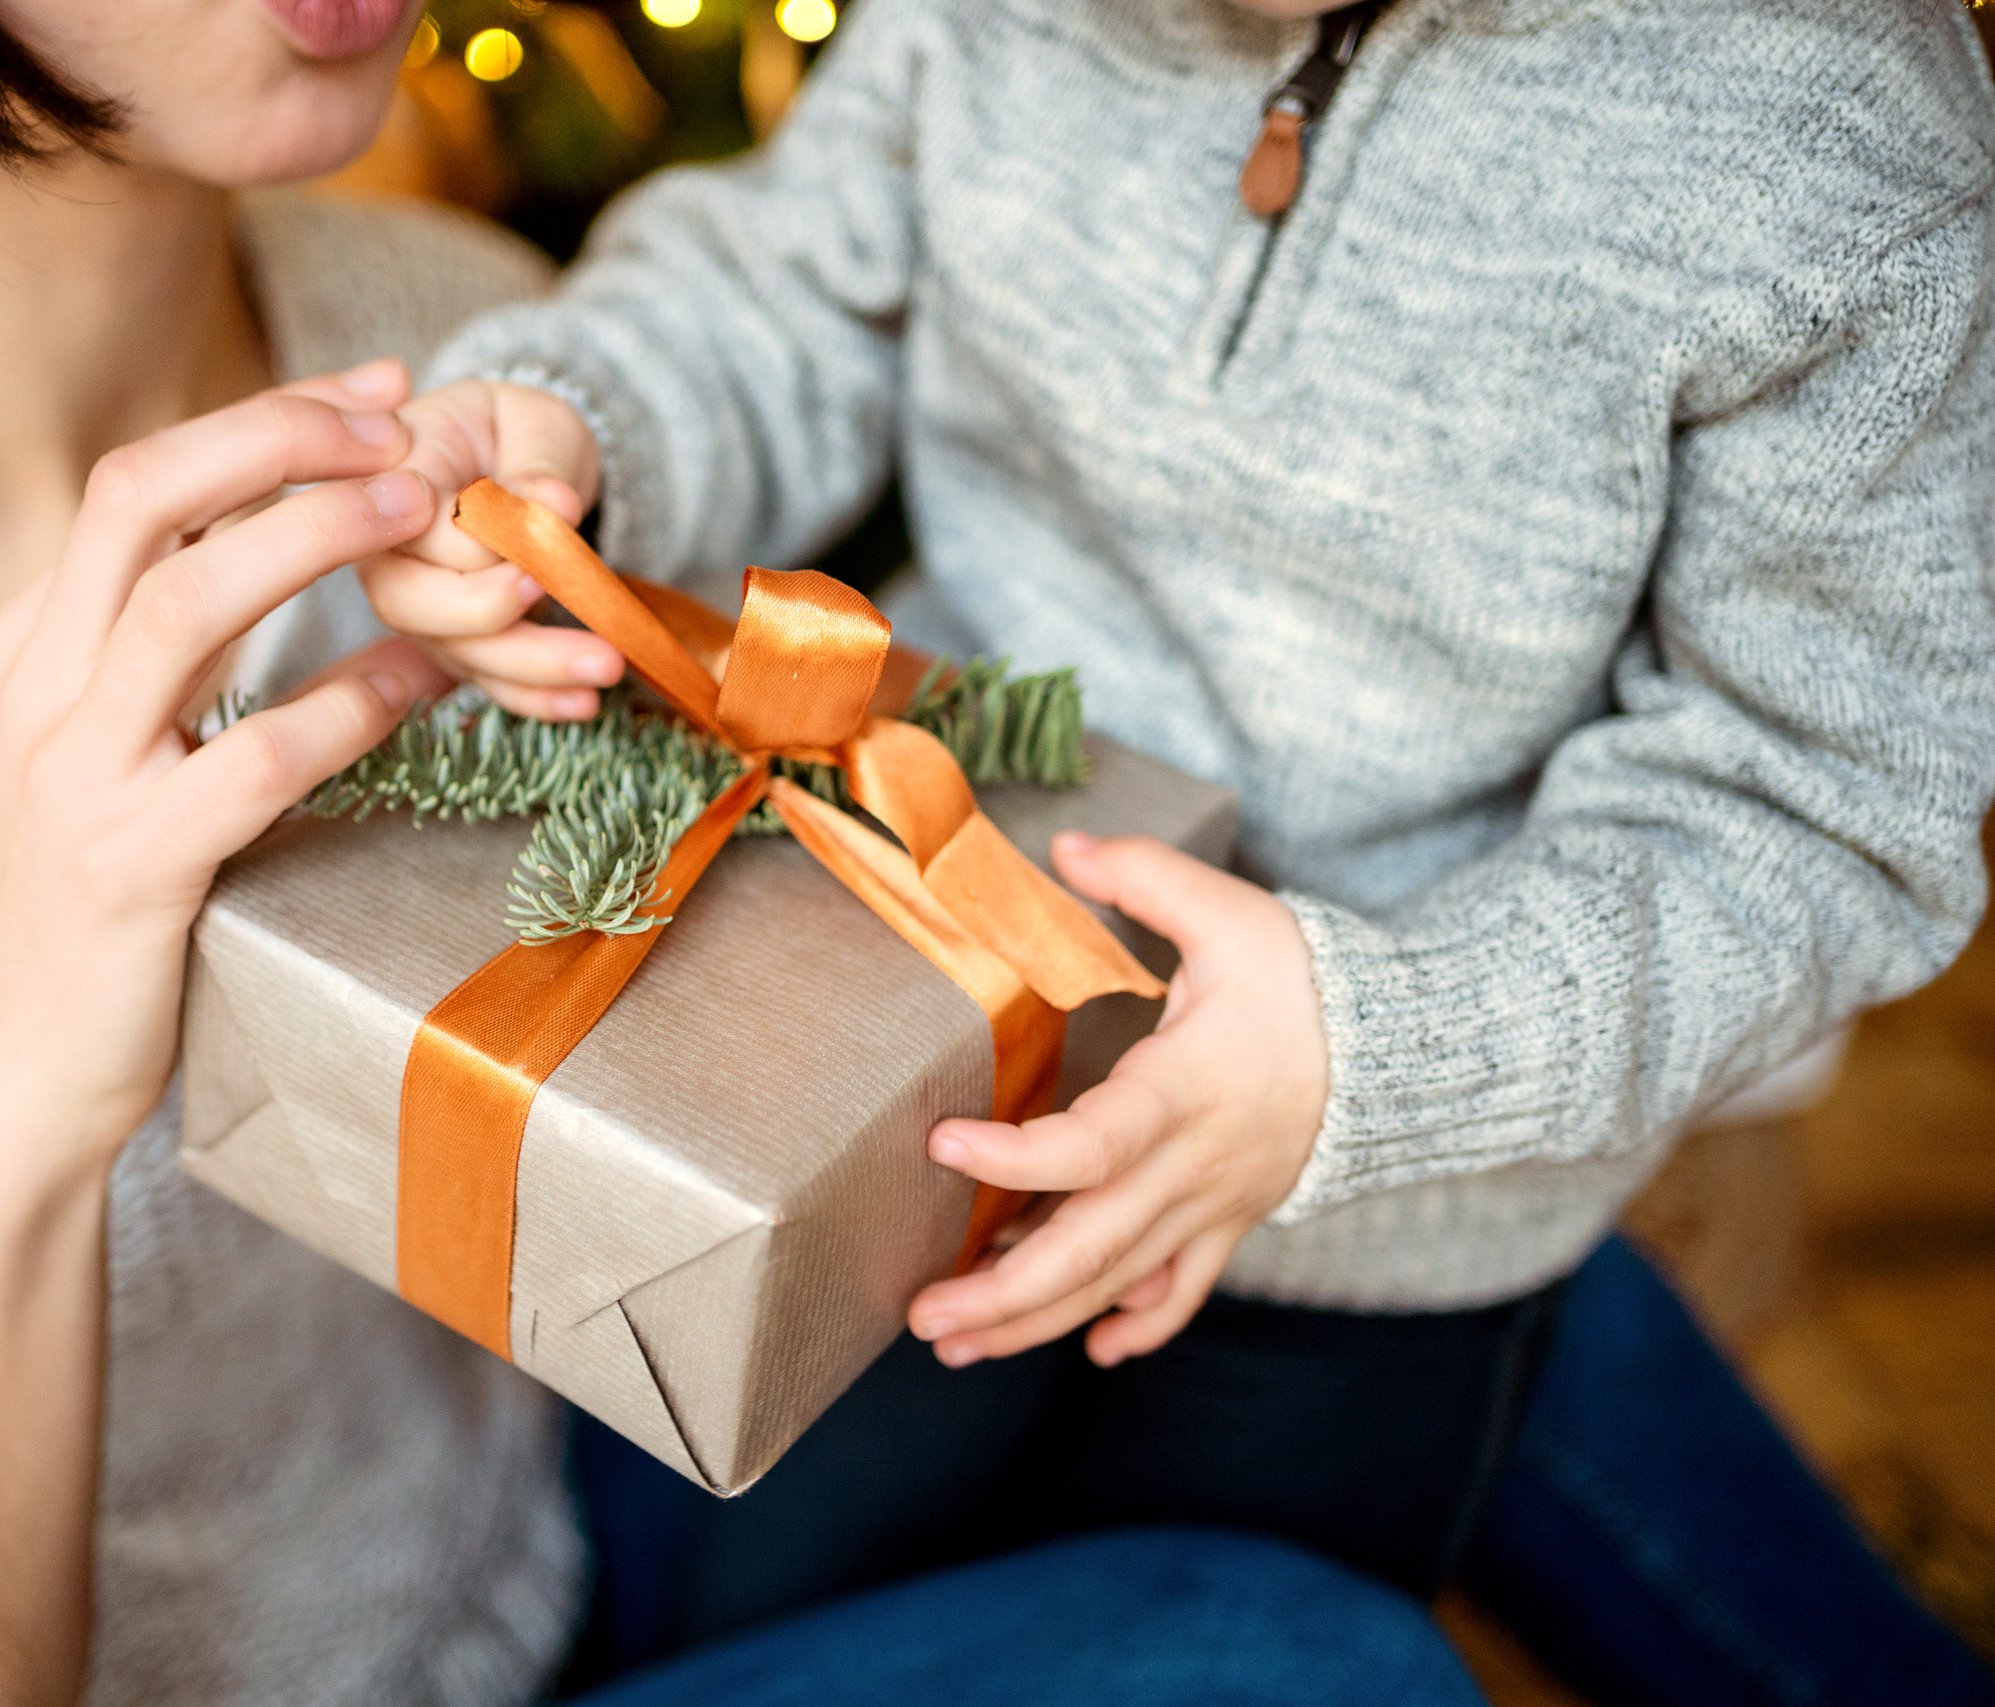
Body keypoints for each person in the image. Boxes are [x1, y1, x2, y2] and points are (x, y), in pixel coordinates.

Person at [0, 1, 1494, 1703]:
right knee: (1311, 1657)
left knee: (1338, 1263)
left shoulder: (456, 336)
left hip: (581, 1495)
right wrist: (12, 1104)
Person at [364, 0, 1995, 1668]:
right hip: (895, 1059)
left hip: (1373, 1256)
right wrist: (587, 430)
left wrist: (1386, 1051)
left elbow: (1826, 805)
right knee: (762, 1603)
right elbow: (786, 292)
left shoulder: (1843, 126)